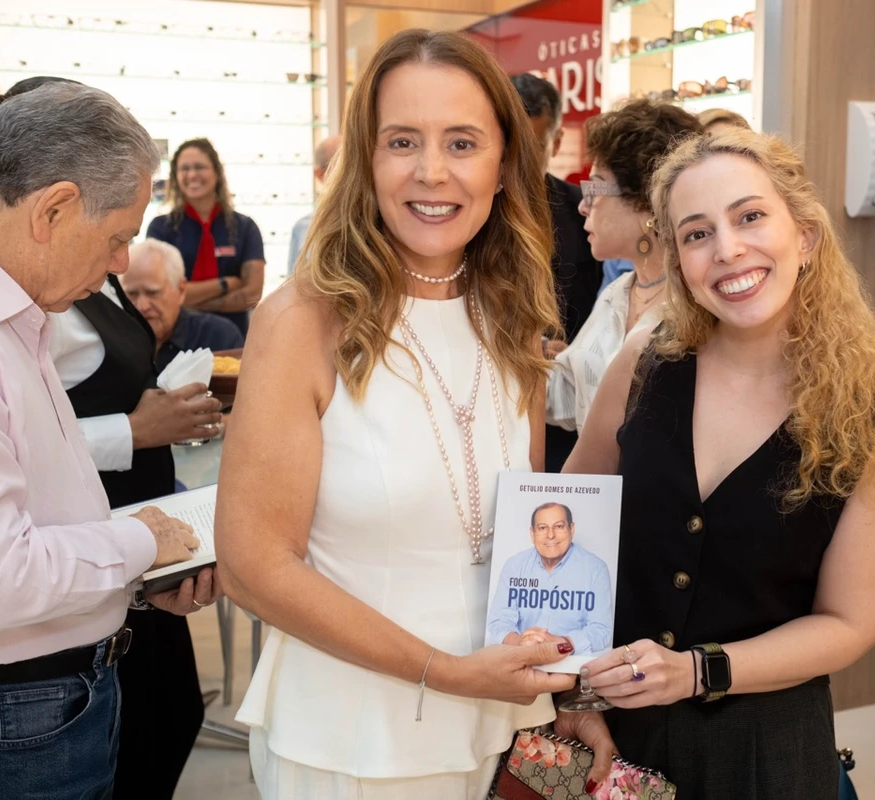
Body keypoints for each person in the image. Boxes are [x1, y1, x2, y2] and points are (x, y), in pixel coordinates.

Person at [216, 29, 576, 799]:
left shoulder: (514, 320)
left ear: (505, 164)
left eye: (462, 142)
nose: (432, 171)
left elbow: (518, 527)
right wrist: (443, 671)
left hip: (493, 723)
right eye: (402, 141)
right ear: (366, 161)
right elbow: (253, 565)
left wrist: (562, 678)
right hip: (352, 738)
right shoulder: (302, 322)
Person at [556, 129, 875, 797]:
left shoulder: (871, 416)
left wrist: (696, 671)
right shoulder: (641, 365)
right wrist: (574, 693)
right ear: (679, 259)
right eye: (696, 233)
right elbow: (566, 532)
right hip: (612, 734)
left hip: (763, 755)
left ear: (803, 234)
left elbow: (848, 622)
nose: (727, 250)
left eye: (749, 217)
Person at [0, 74, 218, 800]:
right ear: (53, 208)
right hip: (0, 719)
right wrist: (143, 541)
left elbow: (39, 509)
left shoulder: (0, 306)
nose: (121, 262)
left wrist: (135, 585)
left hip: (34, 702)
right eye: (117, 236)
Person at [546, 100, 702, 435]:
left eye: (597, 187)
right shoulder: (619, 293)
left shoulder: (698, 304)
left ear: (646, 202)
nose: (584, 206)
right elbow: (569, 397)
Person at [511, 73, 602, 471]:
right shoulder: (462, 215)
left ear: (558, 141)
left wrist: (575, 354)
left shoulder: (586, 211)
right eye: (509, 146)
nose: (519, 162)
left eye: (533, 148)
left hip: (568, 425)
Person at [147, 138, 265, 337]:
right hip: (176, 339)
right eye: (184, 168)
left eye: (200, 167)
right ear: (176, 176)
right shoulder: (161, 228)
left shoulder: (245, 227)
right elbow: (159, 293)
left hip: (233, 338)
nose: (192, 174)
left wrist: (188, 299)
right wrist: (225, 284)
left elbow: (252, 294)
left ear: (217, 173)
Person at [487, 502, 613, 654]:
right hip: (523, 659)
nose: (551, 535)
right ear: (532, 534)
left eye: (559, 526)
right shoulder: (514, 566)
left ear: (571, 529)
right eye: (542, 528)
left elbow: (601, 630)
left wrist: (560, 644)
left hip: (572, 664)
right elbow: (499, 620)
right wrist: (521, 643)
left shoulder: (596, 569)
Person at [122, 239, 245, 371]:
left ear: (180, 290)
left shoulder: (219, 338)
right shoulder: (110, 342)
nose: (142, 306)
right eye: (132, 294)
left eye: (153, 293)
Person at [288, 136, 342, 273]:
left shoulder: (383, 220)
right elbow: (293, 285)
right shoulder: (303, 228)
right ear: (320, 174)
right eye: (342, 166)